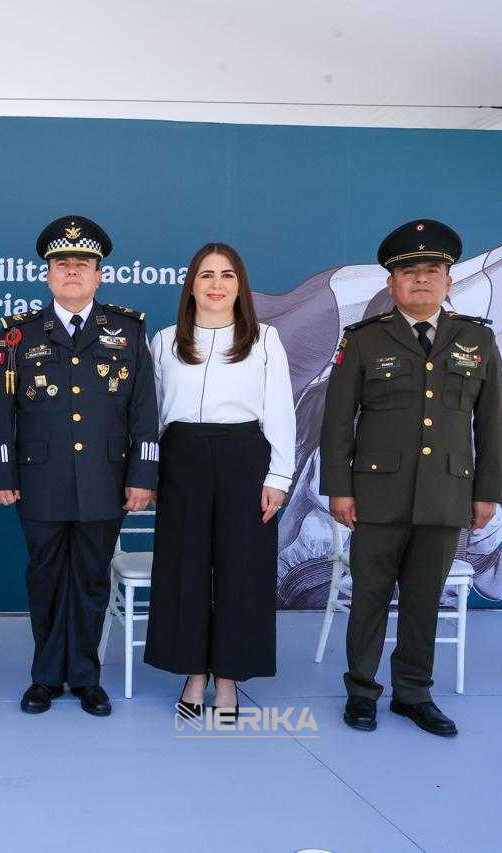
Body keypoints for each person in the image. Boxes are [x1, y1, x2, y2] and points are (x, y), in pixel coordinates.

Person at [321, 219, 502, 737]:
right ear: (391, 283)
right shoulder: (363, 341)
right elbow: (338, 420)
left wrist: (488, 491)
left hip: (447, 493)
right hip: (376, 495)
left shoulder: (477, 339)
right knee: (370, 598)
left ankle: (413, 693)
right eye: (409, 273)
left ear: (449, 280)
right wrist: (339, 486)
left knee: (426, 599)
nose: (421, 281)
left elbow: (492, 423)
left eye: (432, 271)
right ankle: (361, 691)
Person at [0, 215, 158, 716]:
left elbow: (144, 413)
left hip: (105, 481)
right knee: (44, 579)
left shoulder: (127, 330)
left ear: (99, 275)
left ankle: (85, 676)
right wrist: (2, 474)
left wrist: (142, 477)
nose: (73, 270)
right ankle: (44, 677)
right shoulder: (17, 336)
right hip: (38, 482)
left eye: (83, 263)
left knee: (91, 580)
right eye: (63, 263)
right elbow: (0, 412)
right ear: (48, 275)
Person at [143, 243, 295, 721]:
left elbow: (281, 412)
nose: (215, 284)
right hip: (182, 458)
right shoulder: (166, 341)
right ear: (191, 285)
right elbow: (150, 414)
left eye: (227, 275)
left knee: (241, 570)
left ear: (240, 285)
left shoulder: (265, 339)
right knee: (185, 568)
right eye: (205, 274)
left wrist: (279, 475)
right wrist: (147, 474)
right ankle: (192, 672)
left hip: (244, 458)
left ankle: (228, 678)